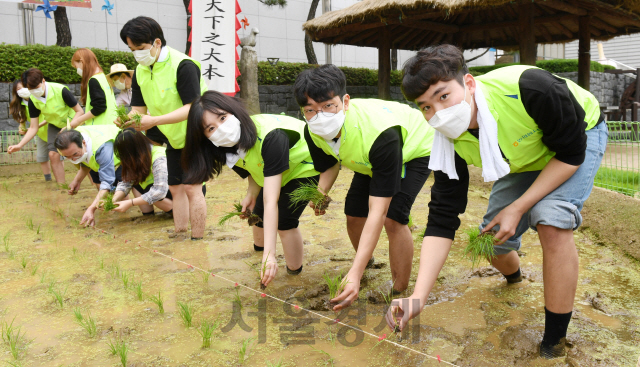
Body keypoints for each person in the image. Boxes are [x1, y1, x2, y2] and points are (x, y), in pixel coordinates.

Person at [386, 45, 607, 359]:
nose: (438, 112)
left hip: (578, 139)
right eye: (426, 106)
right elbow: (442, 218)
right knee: (490, 241)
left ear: (469, 83)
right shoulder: (447, 139)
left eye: (443, 96)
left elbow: (571, 155)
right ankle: (514, 277)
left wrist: (517, 208)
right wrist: (418, 296)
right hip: (524, 159)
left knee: (551, 220)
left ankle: (553, 344)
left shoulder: (532, 88)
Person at [293, 64, 435, 311]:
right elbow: (328, 165)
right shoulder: (312, 130)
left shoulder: (380, 133)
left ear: (345, 101)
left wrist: (353, 274)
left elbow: (377, 212)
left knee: (393, 218)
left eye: (328, 106)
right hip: (368, 160)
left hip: (413, 150)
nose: (320, 116)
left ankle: (398, 286)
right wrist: (320, 191)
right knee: (354, 214)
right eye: (310, 110)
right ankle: (365, 261)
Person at [183, 91, 319, 286]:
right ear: (204, 137)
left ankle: (294, 275)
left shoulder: (271, 137)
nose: (221, 128)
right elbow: (253, 167)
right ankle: (260, 256)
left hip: (305, 164)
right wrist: (251, 193)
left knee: (284, 221)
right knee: (257, 215)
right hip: (275, 170)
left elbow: (272, 201)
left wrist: (270, 255)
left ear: (233, 111)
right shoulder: (225, 147)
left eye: (223, 117)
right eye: (211, 128)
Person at [118, 16, 208, 239]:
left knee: (192, 188)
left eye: (139, 48)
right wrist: (126, 119)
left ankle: (197, 240)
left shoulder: (183, 65)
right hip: (172, 137)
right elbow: (138, 109)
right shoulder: (140, 70)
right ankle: (180, 234)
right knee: (176, 188)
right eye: (131, 49)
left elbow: (192, 108)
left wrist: (154, 121)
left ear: (157, 42)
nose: (136, 53)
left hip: (195, 134)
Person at [8, 68, 83, 183]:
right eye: (30, 89)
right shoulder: (33, 99)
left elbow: (80, 111)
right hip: (54, 124)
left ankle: (96, 184)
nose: (34, 91)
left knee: (80, 153)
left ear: (43, 81)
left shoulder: (60, 90)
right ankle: (62, 187)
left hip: (73, 121)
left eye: (36, 87)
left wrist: (70, 126)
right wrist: (20, 145)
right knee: (53, 154)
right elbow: (33, 127)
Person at [54, 125, 123, 227]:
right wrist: (77, 180)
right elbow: (85, 161)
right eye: (67, 157)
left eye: (75, 154)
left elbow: (107, 183)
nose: (73, 159)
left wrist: (91, 208)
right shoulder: (66, 145)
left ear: (83, 143)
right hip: (103, 154)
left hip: (128, 150)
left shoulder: (101, 148)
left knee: (123, 183)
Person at [111, 128, 173, 215]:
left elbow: (159, 191)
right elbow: (126, 183)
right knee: (136, 184)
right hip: (162, 194)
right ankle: (148, 216)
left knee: (150, 190)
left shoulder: (159, 158)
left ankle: (177, 212)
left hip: (178, 197)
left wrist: (130, 203)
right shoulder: (137, 159)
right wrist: (113, 200)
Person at [106, 62, 167, 146]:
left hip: (163, 119)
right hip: (149, 126)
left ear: (123, 76)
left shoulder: (142, 84)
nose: (115, 82)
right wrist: (123, 118)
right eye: (114, 81)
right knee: (154, 150)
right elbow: (116, 106)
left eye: (116, 79)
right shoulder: (123, 94)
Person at [9, 78, 52, 181]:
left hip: (52, 129)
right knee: (42, 157)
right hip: (40, 133)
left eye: (24, 87)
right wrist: (21, 128)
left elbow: (50, 117)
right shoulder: (21, 105)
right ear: (16, 92)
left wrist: (35, 127)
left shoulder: (39, 99)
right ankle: (48, 179)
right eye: (19, 88)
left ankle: (60, 179)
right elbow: (22, 120)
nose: (22, 90)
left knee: (56, 156)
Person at [70, 48, 118, 127]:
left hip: (100, 130)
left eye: (76, 67)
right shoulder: (103, 77)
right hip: (111, 126)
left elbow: (99, 108)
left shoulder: (93, 80)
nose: (77, 70)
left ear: (82, 62)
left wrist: (78, 120)